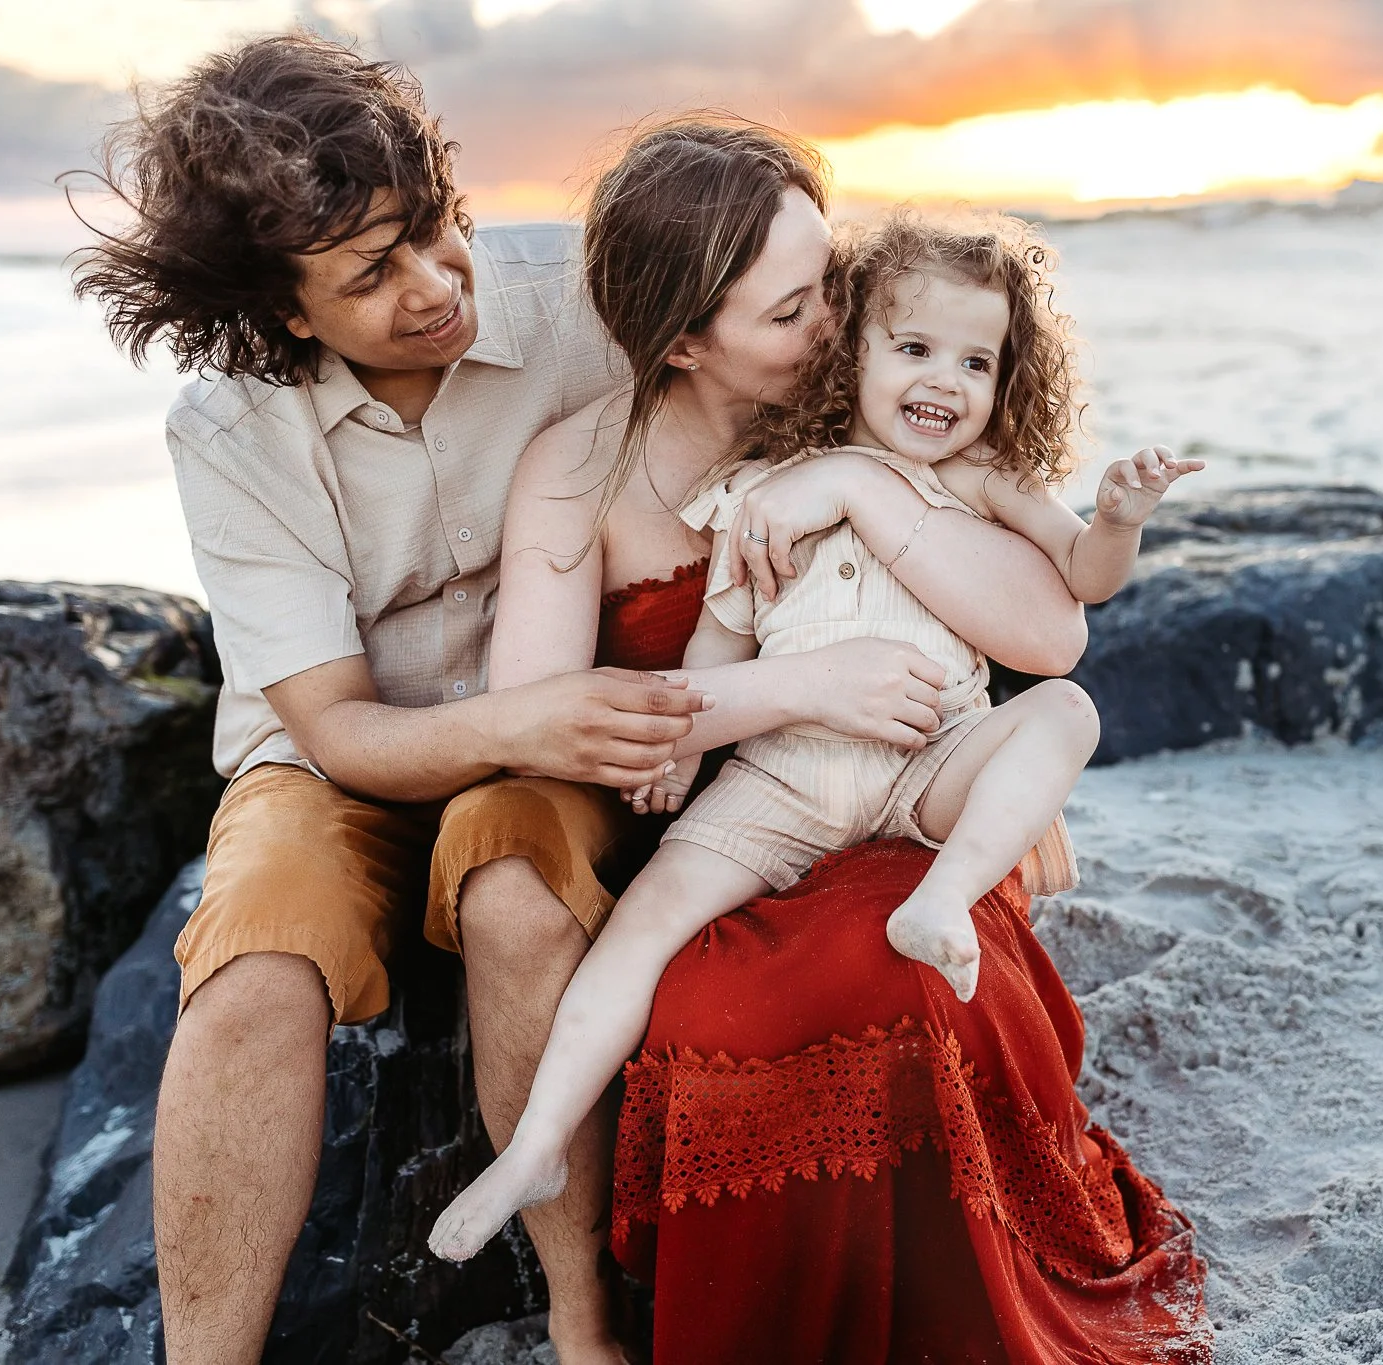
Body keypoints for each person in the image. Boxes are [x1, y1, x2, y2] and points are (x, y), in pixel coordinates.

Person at [76, 37, 973, 1365]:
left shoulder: (580, 294)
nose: (440, 284)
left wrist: (977, 724)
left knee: (512, 884)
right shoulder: (228, 433)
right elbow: (334, 728)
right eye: (372, 275)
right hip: (344, 756)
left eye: (436, 230)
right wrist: (529, 721)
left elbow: (828, 390)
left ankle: (579, 1320)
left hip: (568, 725)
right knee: (255, 962)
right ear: (282, 316)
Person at [484, 119, 1213, 1361]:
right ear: (683, 338)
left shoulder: (877, 423)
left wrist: (870, 494)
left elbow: (1053, 633)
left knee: (902, 973)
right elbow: (547, 722)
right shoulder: (585, 467)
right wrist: (803, 685)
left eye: (831, 281)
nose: (836, 319)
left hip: (910, 807)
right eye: (793, 308)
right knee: (736, 1004)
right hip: (744, 807)